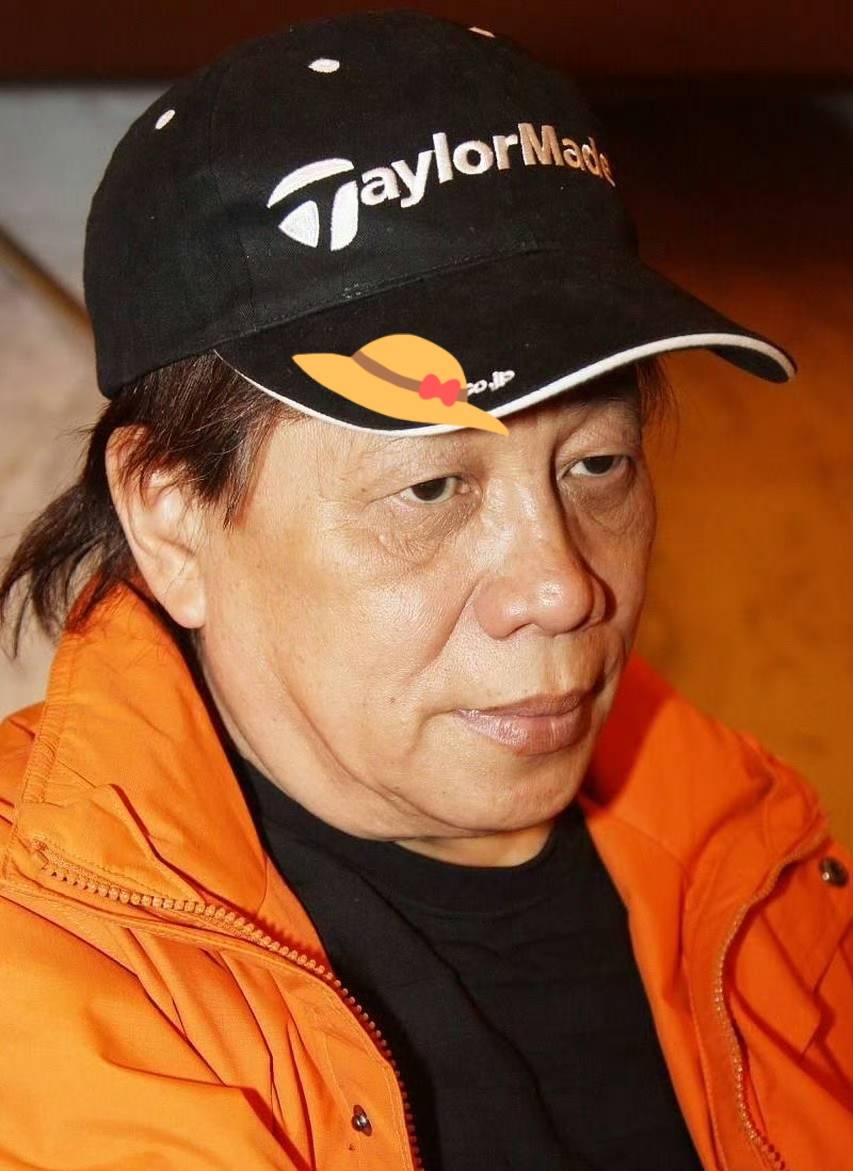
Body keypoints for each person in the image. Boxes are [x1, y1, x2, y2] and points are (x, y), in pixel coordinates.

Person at [0, 9, 850, 1171]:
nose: (561, 585)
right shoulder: (48, 962)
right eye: (432, 486)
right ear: (171, 516)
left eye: (597, 464)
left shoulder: (765, 870)